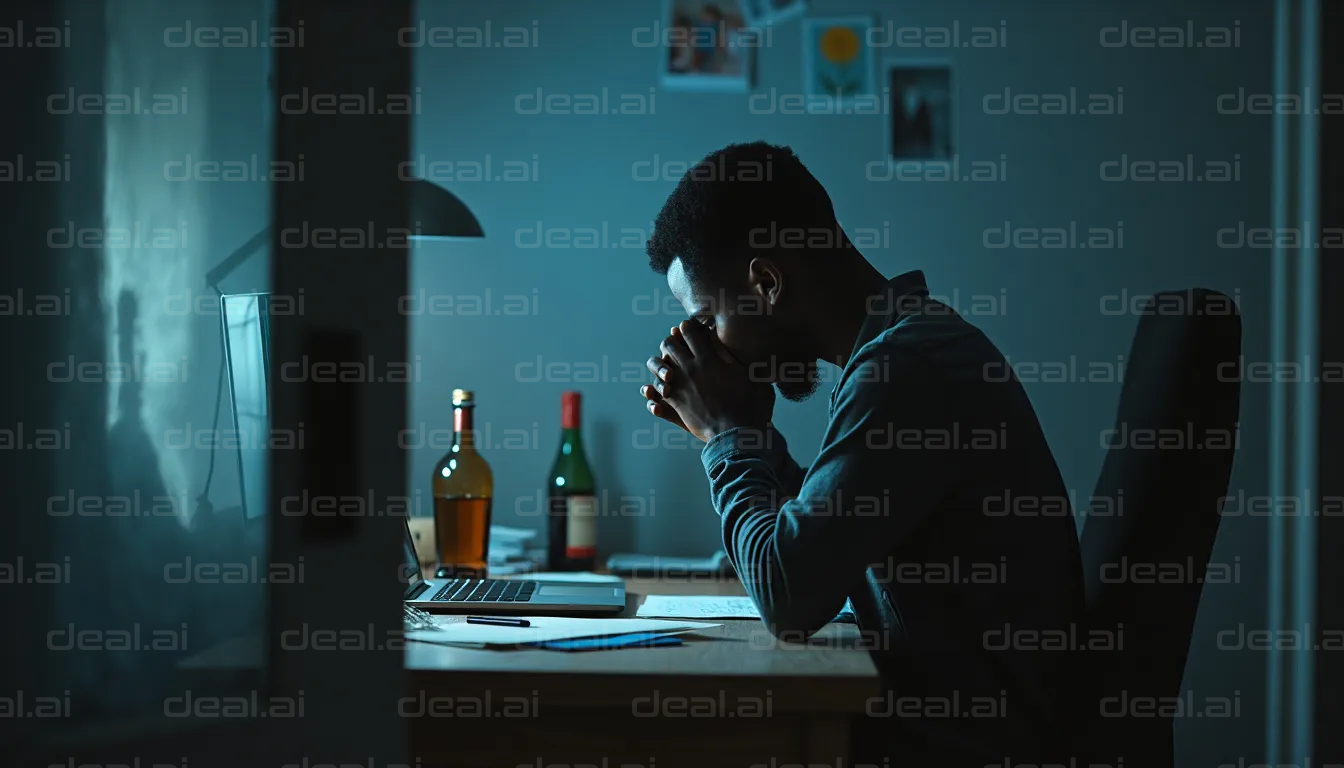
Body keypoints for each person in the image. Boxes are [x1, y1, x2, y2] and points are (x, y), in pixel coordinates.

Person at [639, 141, 1085, 767]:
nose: (710, 347)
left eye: (708, 321)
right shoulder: (904, 349)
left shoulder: (905, 369)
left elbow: (790, 596)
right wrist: (747, 435)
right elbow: (825, 543)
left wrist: (725, 437)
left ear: (766, 282)